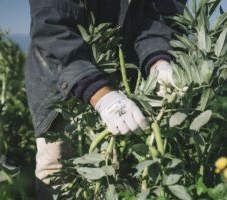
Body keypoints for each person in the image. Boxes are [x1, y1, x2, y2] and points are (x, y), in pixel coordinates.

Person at [25, 0, 186, 199]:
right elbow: (53, 29)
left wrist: (159, 61)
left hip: (126, 74)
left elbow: (159, 21)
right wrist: (101, 95)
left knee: (116, 168)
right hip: (59, 75)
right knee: (57, 168)